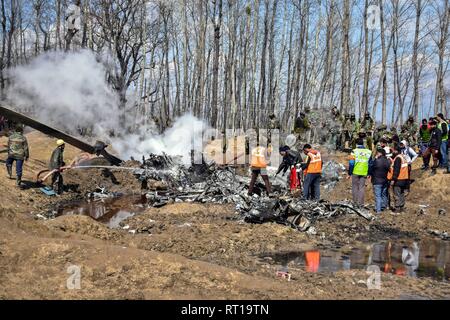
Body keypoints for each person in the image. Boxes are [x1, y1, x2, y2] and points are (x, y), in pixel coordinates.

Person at [348, 138, 372, 206]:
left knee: (355, 187)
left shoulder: (354, 151)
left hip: (355, 171)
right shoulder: (369, 152)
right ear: (363, 144)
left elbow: (351, 163)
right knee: (361, 188)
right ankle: (361, 203)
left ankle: (355, 202)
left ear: (356, 144)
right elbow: (370, 163)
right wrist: (369, 173)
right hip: (364, 172)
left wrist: (350, 173)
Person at [368, 148, 390, 214]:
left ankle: (378, 210)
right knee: (384, 194)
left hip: (377, 180)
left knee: (378, 196)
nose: (376, 154)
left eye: (377, 153)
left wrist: (374, 159)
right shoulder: (387, 161)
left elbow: (371, 167)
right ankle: (384, 207)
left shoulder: (377, 161)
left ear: (380, 153)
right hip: (385, 180)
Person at [389, 147, 409, 213]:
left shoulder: (398, 158)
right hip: (405, 179)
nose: (392, 151)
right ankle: (402, 207)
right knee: (401, 193)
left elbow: (396, 170)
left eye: (393, 150)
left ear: (396, 151)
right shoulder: (404, 157)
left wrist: (393, 179)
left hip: (398, 179)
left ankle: (397, 208)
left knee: (397, 193)